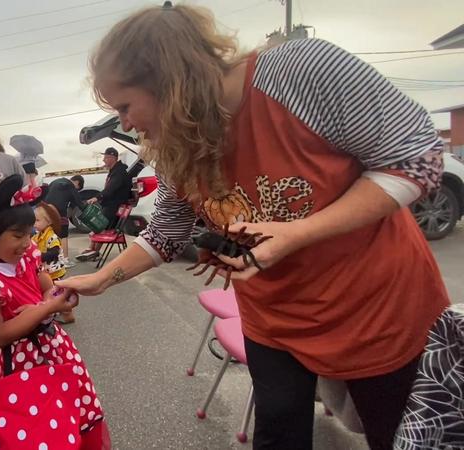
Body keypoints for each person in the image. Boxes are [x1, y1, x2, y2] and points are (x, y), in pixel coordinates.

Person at [59, 4, 449, 450]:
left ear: (171, 79)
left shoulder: (301, 71)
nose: (125, 123)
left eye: (126, 105)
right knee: (277, 435)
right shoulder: (175, 143)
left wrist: (297, 234)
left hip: (376, 307)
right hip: (273, 319)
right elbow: (167, 230)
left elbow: (416, 158)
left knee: (397, 436)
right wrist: (102, 279)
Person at [0, 175, 109, 449]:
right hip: (12, 363)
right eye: (17, 235)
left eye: (29, 233)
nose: (27, 242)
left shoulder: (27, 257)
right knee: (26, 427)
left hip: (53, 348)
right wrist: (46, 307)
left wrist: (57, 300)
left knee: (64, 416)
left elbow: (53, 291)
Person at [76, 148, 132, 261]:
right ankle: (92, 249)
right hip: (110, 205)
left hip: (115, 207)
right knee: (97, 225)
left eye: (106, 157)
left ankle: (95, 251)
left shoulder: (119, 172)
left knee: (99, 226)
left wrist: (97, 197)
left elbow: (110, 189)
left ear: (112, 158)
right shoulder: (114, 170)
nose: (103, 160)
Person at [32, 202, 75, 323]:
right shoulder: (38, 235)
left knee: (57, 294)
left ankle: (67, 313)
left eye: (37, 220)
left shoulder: (52, 236)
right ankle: (54, 312)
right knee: (51, 293)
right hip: (46, 271)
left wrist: (38, 256)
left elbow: (54, 253)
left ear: (49, 222)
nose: (34, 224)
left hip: (55, 271)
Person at [44, 175, 86, 267]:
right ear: (77, 183)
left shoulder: (55, 181)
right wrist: (88, 212)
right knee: (64, 235)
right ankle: (65, 260)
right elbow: (79, 203)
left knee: (50, 234)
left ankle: (51, 259)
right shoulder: (70, 186)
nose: (77, 190)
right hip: (60, 212)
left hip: (47, 211)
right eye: (78, 188)